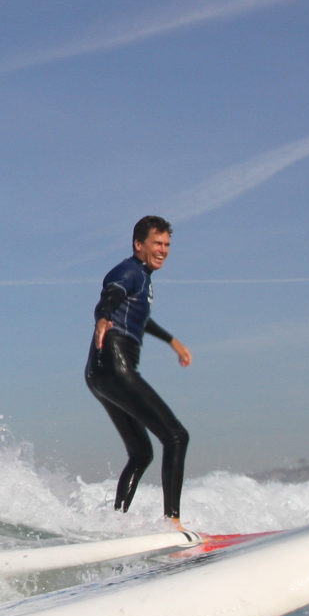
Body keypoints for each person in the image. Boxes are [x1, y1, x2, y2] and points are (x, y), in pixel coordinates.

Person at [86, 216, 194, 527]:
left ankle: (115, 524)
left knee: (141, 453)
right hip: (116, 365)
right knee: (176, 436)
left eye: (167, 245)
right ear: (139, 245)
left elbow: (139, 318)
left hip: (98, 372)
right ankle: (172, 522)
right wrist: (103, 317)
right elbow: (111, 294)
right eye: (157, 244)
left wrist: (172, 341)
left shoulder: (143, 278)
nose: (163, 250)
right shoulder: (129, 271)